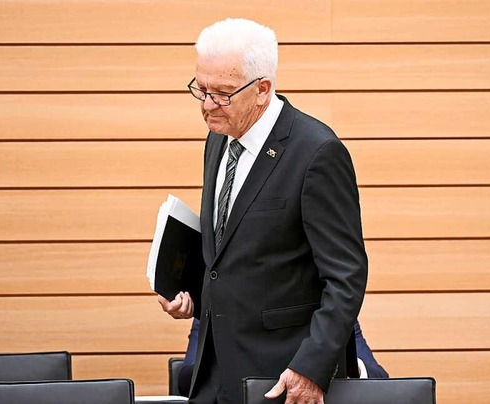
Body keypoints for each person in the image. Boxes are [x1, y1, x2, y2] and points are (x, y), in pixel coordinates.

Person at [158, 18, 368, 404]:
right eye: (200, 89)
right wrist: (189, 292)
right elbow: (235, 250)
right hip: (215, 371)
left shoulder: (317, 152)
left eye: (221, 93)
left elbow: (347, 277)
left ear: (262, 90)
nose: (207, 106)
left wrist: (310, 368)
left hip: (283, 379)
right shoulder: (220, 138)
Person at [176, 319, 388, 397]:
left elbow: (380, 378)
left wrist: (349, 366)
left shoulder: (334, 321)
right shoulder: (213, 315)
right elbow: (186, 380)